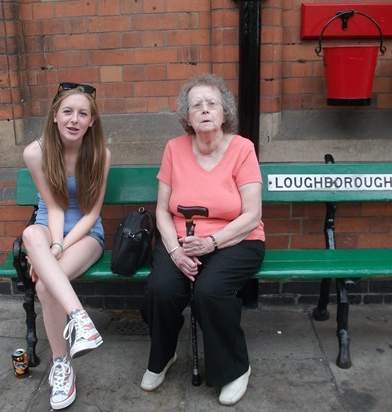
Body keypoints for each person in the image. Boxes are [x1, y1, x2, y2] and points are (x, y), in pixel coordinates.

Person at [140, 73, 265, 406]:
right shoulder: (174, 149)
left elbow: (251, 215)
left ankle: (235, 368)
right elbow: (162, 210)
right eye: (197, 105)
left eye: (213, 103)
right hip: (181, 240)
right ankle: (163, 355)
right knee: (160, 289)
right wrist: (174, 252)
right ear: (187, 117)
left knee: (210, 292)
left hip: (237, 239)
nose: (205, 110)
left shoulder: (243, 149)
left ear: (225, 113)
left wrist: (212, 243)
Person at [21, 82, 110, 410]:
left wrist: (56, 251)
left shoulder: (100, 154)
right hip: (49, 227)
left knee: (45, 285)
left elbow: (92, 214)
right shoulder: (36, 152)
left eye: (83, 113)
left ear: (92, 122)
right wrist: (52, 246)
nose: (75, 119)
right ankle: (81, 320)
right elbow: (54, 207)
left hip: (86, 235)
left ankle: (62, 364)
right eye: (68, 112)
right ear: (55, 116)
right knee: (31, 236)